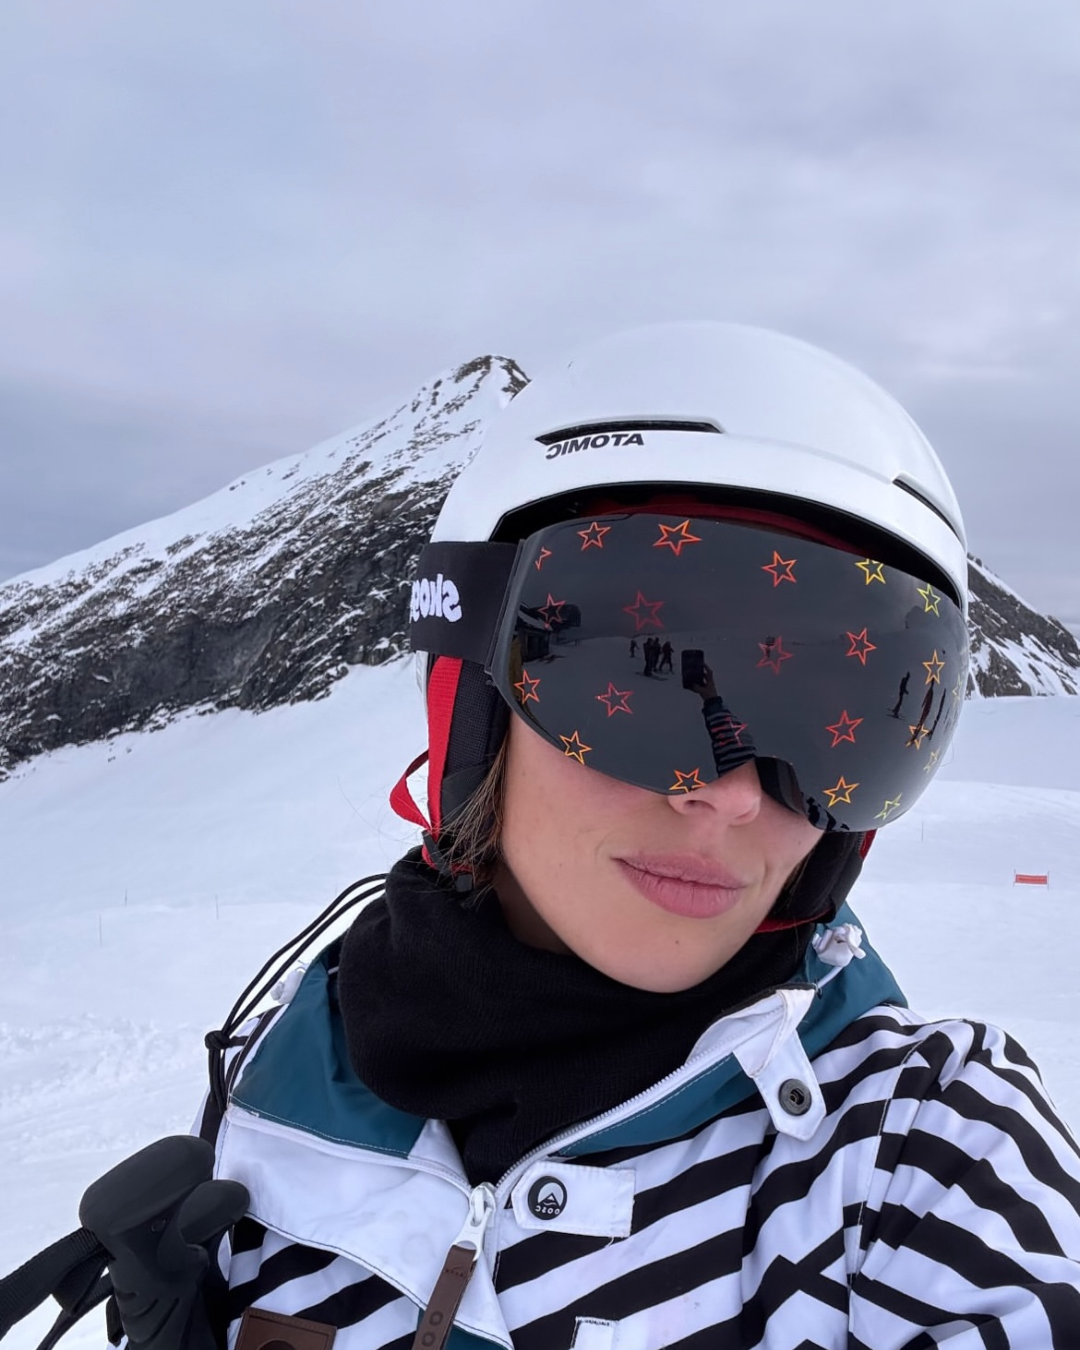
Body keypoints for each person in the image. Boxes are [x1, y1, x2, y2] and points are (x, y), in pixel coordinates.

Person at [190, 323, 1080, 1350]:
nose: (737, 799)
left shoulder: (918, 1153)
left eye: (836, 731)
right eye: (646, 690)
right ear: (470, 701)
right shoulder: (279, 1102)